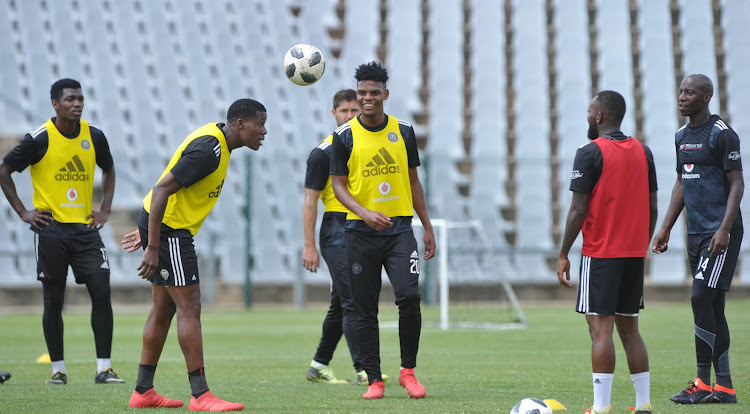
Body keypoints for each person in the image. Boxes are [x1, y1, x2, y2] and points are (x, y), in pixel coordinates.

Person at [120, 98, 267, 411]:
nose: (264, 131)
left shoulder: (219, 145)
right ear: (241, 125)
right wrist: (154, 244)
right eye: (260, 123)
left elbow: (163, 195)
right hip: (171, 232)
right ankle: (201, 395)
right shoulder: (208, 151)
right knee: (190, 306)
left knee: (163, 309)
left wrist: (148, 230)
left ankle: (143, 391)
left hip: (164, 226)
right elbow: (161, 190)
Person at [0, 78, 123, 385]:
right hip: (51, 231)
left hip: (86, 231)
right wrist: (23, 212)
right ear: (55, 104)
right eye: (70, 99)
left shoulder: (94, 135)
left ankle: (104, 369)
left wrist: (105, 209)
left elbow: (109, 168)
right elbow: (3, 169)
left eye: (80, 98)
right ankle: (58, 370)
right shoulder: (39, 138)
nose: (77, 104)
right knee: (53, 301)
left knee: (102, 294)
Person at [330, 61, 435, 400]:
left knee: (409, 296)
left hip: (400, 230)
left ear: (385, 94)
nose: (367, 98)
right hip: (360, 232)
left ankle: (408, 371)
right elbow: (338, 186)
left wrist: (428, 226)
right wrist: (364, 212)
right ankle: (375, 379)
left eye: (374, 92)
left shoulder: (403, 131)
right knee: (364, 308)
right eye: (362, 93)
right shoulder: (343, 135)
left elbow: (414, 182)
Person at [557, 90, 657, 414]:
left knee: (600, 329)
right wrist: (640, 244)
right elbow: (653, 207)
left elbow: (577, 210)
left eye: (589, 111)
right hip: (632, 254)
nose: (588, 116)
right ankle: (643, 404)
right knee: (630, 329)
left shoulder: (589, 153)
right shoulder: (645, 152)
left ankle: (601, 407)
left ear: (599, 116)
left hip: (600, 254)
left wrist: (563, 253)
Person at [652, 74, 743, 405]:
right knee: (713, 307)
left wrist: (724, 229)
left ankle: (703, 383)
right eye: (680, 91)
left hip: (719, 235)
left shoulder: (722, 135)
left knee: (699, 299)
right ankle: (726, 388)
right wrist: (665, 228)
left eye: (689, 92)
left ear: (706, 97)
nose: (681, 97)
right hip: (695, 234)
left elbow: (737, 185)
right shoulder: (681, 136)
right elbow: (682, 181)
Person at [303, 89, 374, 385]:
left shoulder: (367, 147)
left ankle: (319, 365)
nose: (349, 116)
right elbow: (309, 200)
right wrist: (308, 246)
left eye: (355, 111)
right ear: (334, 114)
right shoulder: (324, 152)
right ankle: (365, 369)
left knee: (341, 302)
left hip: (362, 228)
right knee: (353, 300)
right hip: (336, 230)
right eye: (344, 111)